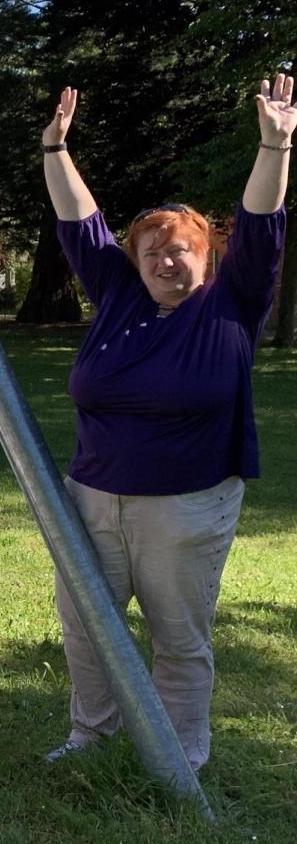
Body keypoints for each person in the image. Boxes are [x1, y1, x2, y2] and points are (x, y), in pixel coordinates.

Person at [38, 72, 292, 770]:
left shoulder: (231, 303)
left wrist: (274, 146)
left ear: (207, 257)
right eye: (149, 249)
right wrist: (55, 150)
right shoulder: (119, 296)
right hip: (92, 499)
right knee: (87, 629)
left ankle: (181, 757)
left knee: (178, 637)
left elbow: (261, 226)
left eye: (178, 247)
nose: (162, 258)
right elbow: (79, 225)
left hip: (185, 508)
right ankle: (90, 738)